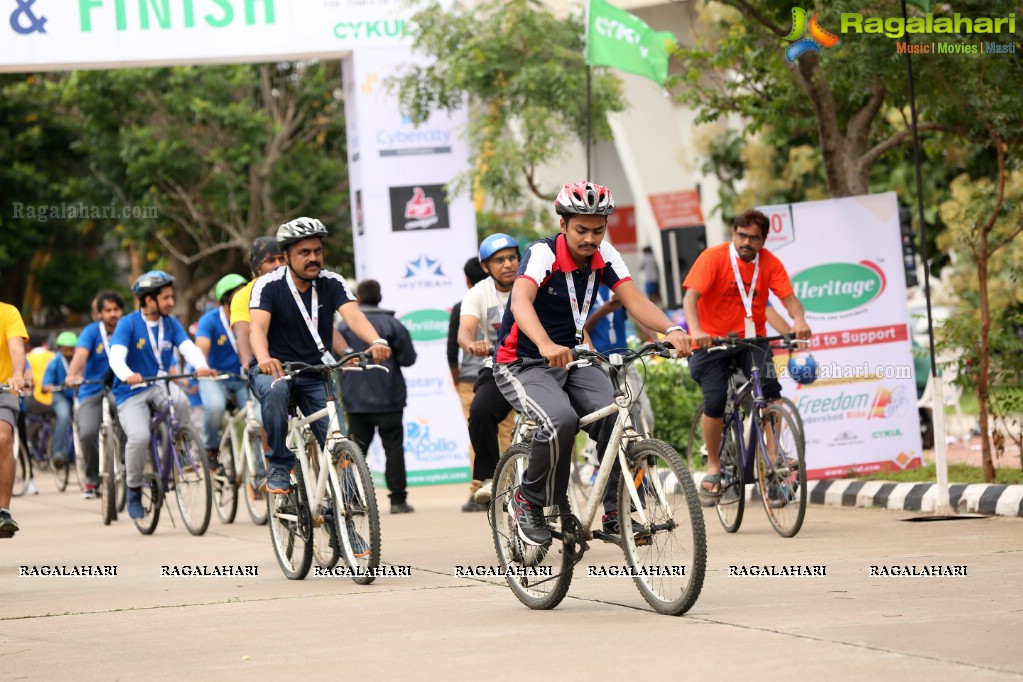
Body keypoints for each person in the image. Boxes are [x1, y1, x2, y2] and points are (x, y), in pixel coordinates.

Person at [493, 181, 691, 546]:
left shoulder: (606, 255)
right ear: (563, 225)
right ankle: (528, 501)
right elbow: (520, 302)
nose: (589, 238)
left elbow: (634, 300)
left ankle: (617, 511)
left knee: (617, 415)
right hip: (522, 362)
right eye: (581, 229)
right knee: (560, 420)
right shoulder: (542, 254)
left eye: (597, 230)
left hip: (573, 359)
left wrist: (672, 328)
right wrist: (545, 343)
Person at [249, 217, 390, 495]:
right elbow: (257, 328)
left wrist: (376, 340)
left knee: (338, 444)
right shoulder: (268, 285)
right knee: (275, 394)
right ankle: (279, 464)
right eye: (304, 253)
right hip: (276, 371)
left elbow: (353, 316)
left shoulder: (331, 282)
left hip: (316, 373)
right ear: (287, 256)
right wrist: (264, 358)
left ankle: (349, 518)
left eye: (317, 251)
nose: (313, 258)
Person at [682, 209, 811, 504]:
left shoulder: (769, 263)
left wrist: (799, 322)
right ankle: (714, 467)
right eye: (742, 235)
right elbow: (690, 297)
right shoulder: (713, 258)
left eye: (754, 237)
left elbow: (789, 301)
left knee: (770, 392)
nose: (747, 242)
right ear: (733, 234)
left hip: (751, 341)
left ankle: (774, 465)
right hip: (711, 343)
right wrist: (697, 330)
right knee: (715, 401)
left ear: (763, 240)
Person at [108, 271, 214, 519]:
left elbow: (188, 347)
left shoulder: (171, 323)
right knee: (139, 436)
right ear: (148, 301)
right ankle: (134, 488)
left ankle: (182, 449)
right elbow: (116, 356)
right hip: (130, 390)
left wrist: (200, 365)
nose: (171, 302)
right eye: (165, 298)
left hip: (159, 384)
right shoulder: (128, 323)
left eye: (171, 297)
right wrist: (126, 374)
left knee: (181, 401)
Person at [338, 279, 417, 514]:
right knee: (393, 448)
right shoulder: (393, 324)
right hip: (389, 398)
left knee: (354, 452)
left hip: (356, 401)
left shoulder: (343, 327)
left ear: (358, 299)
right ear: (380, 297)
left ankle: (351, 500)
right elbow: (408, 359)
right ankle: (398, 501)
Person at [458, 233, 520, 508]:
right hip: (501, 367)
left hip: (541, 365)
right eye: (498, 260)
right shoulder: (478, 293)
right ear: (485, 267)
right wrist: (473, 344)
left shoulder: (534, 283)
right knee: (480, 412)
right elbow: (464, 332)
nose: (507, 264)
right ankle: (488, 478)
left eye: (511, 257)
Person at [68, 290, 125, 498]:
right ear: (99, 313)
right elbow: (81, 354)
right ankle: (92, 479)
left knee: (129, 420)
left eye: (116, 309)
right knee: (88, 432)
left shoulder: (127, 328)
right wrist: (72, 374)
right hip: (92, 389)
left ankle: (129, 468)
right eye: (107, 310)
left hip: (120, 388)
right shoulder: (91, 332)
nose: (113, 314)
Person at [446, 257, 489, 512]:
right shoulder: (508, 300)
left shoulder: (462, 307)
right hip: (503, 373)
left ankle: (478, 490)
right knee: (505, 432)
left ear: (467, 279)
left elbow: (452, 349)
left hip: (471, 379)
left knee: (477, 435)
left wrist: (456, 379)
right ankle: (509, 485)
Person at [196, 273, 250, 471]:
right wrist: (202, 365)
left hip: (244, 378)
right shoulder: (209, 320)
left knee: (259, 418)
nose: (245, 296)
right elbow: (201, 346)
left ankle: (261, 472)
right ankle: (211, 448)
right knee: (215, 406)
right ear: (226, 297)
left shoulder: (250, 315)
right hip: (215, 377)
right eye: (239, 293)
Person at [230, 237, 287, 371]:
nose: (278, 265)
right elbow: (243, 333)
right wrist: (248, 364)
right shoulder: (243, 296)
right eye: (270, 260)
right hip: (266, 366)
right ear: (257, 267)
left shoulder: (297, 287)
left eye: (281, 259)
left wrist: (345, 351)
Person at [0, 297, 28, 538]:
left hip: (2, 390)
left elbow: (17, 348)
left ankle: (3, 511)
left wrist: (17, 374)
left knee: (2, 439)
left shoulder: (8, 313)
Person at [41, 331, 78, 469]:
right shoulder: (55, 361)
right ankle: (58, 453)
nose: (69, 352)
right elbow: (46, 382)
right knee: (63, 416)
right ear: (60, 348)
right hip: (60, 395)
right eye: (65, 349)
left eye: (71, 349)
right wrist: (48, 386)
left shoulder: (80, 359)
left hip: (77, 394)